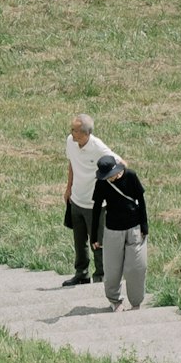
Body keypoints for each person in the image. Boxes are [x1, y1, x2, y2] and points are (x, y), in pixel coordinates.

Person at [62, 116, 120, 287]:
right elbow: (72, 163)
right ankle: (81, 274)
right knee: (79, 242)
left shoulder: (98, 148)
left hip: (95, 205)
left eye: (75, 130)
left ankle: (101, 276)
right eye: (71, 129)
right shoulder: (70, 142)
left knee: (98, 243)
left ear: (86, 133)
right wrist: (68, 187)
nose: (72, 133)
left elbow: (120, 163)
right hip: (76, 200)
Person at [93, 149, 150, 308]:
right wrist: (94, 236)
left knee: (136, 268)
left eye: (111, 175)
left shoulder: (130, 176)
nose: (110, 179)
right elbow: (97, 208)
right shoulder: (102, 183)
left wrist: (144, 225)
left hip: (134, 228)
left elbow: (141, 200)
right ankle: (114, 300)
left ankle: (136, 303)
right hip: (112, 230)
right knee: (112, 270)